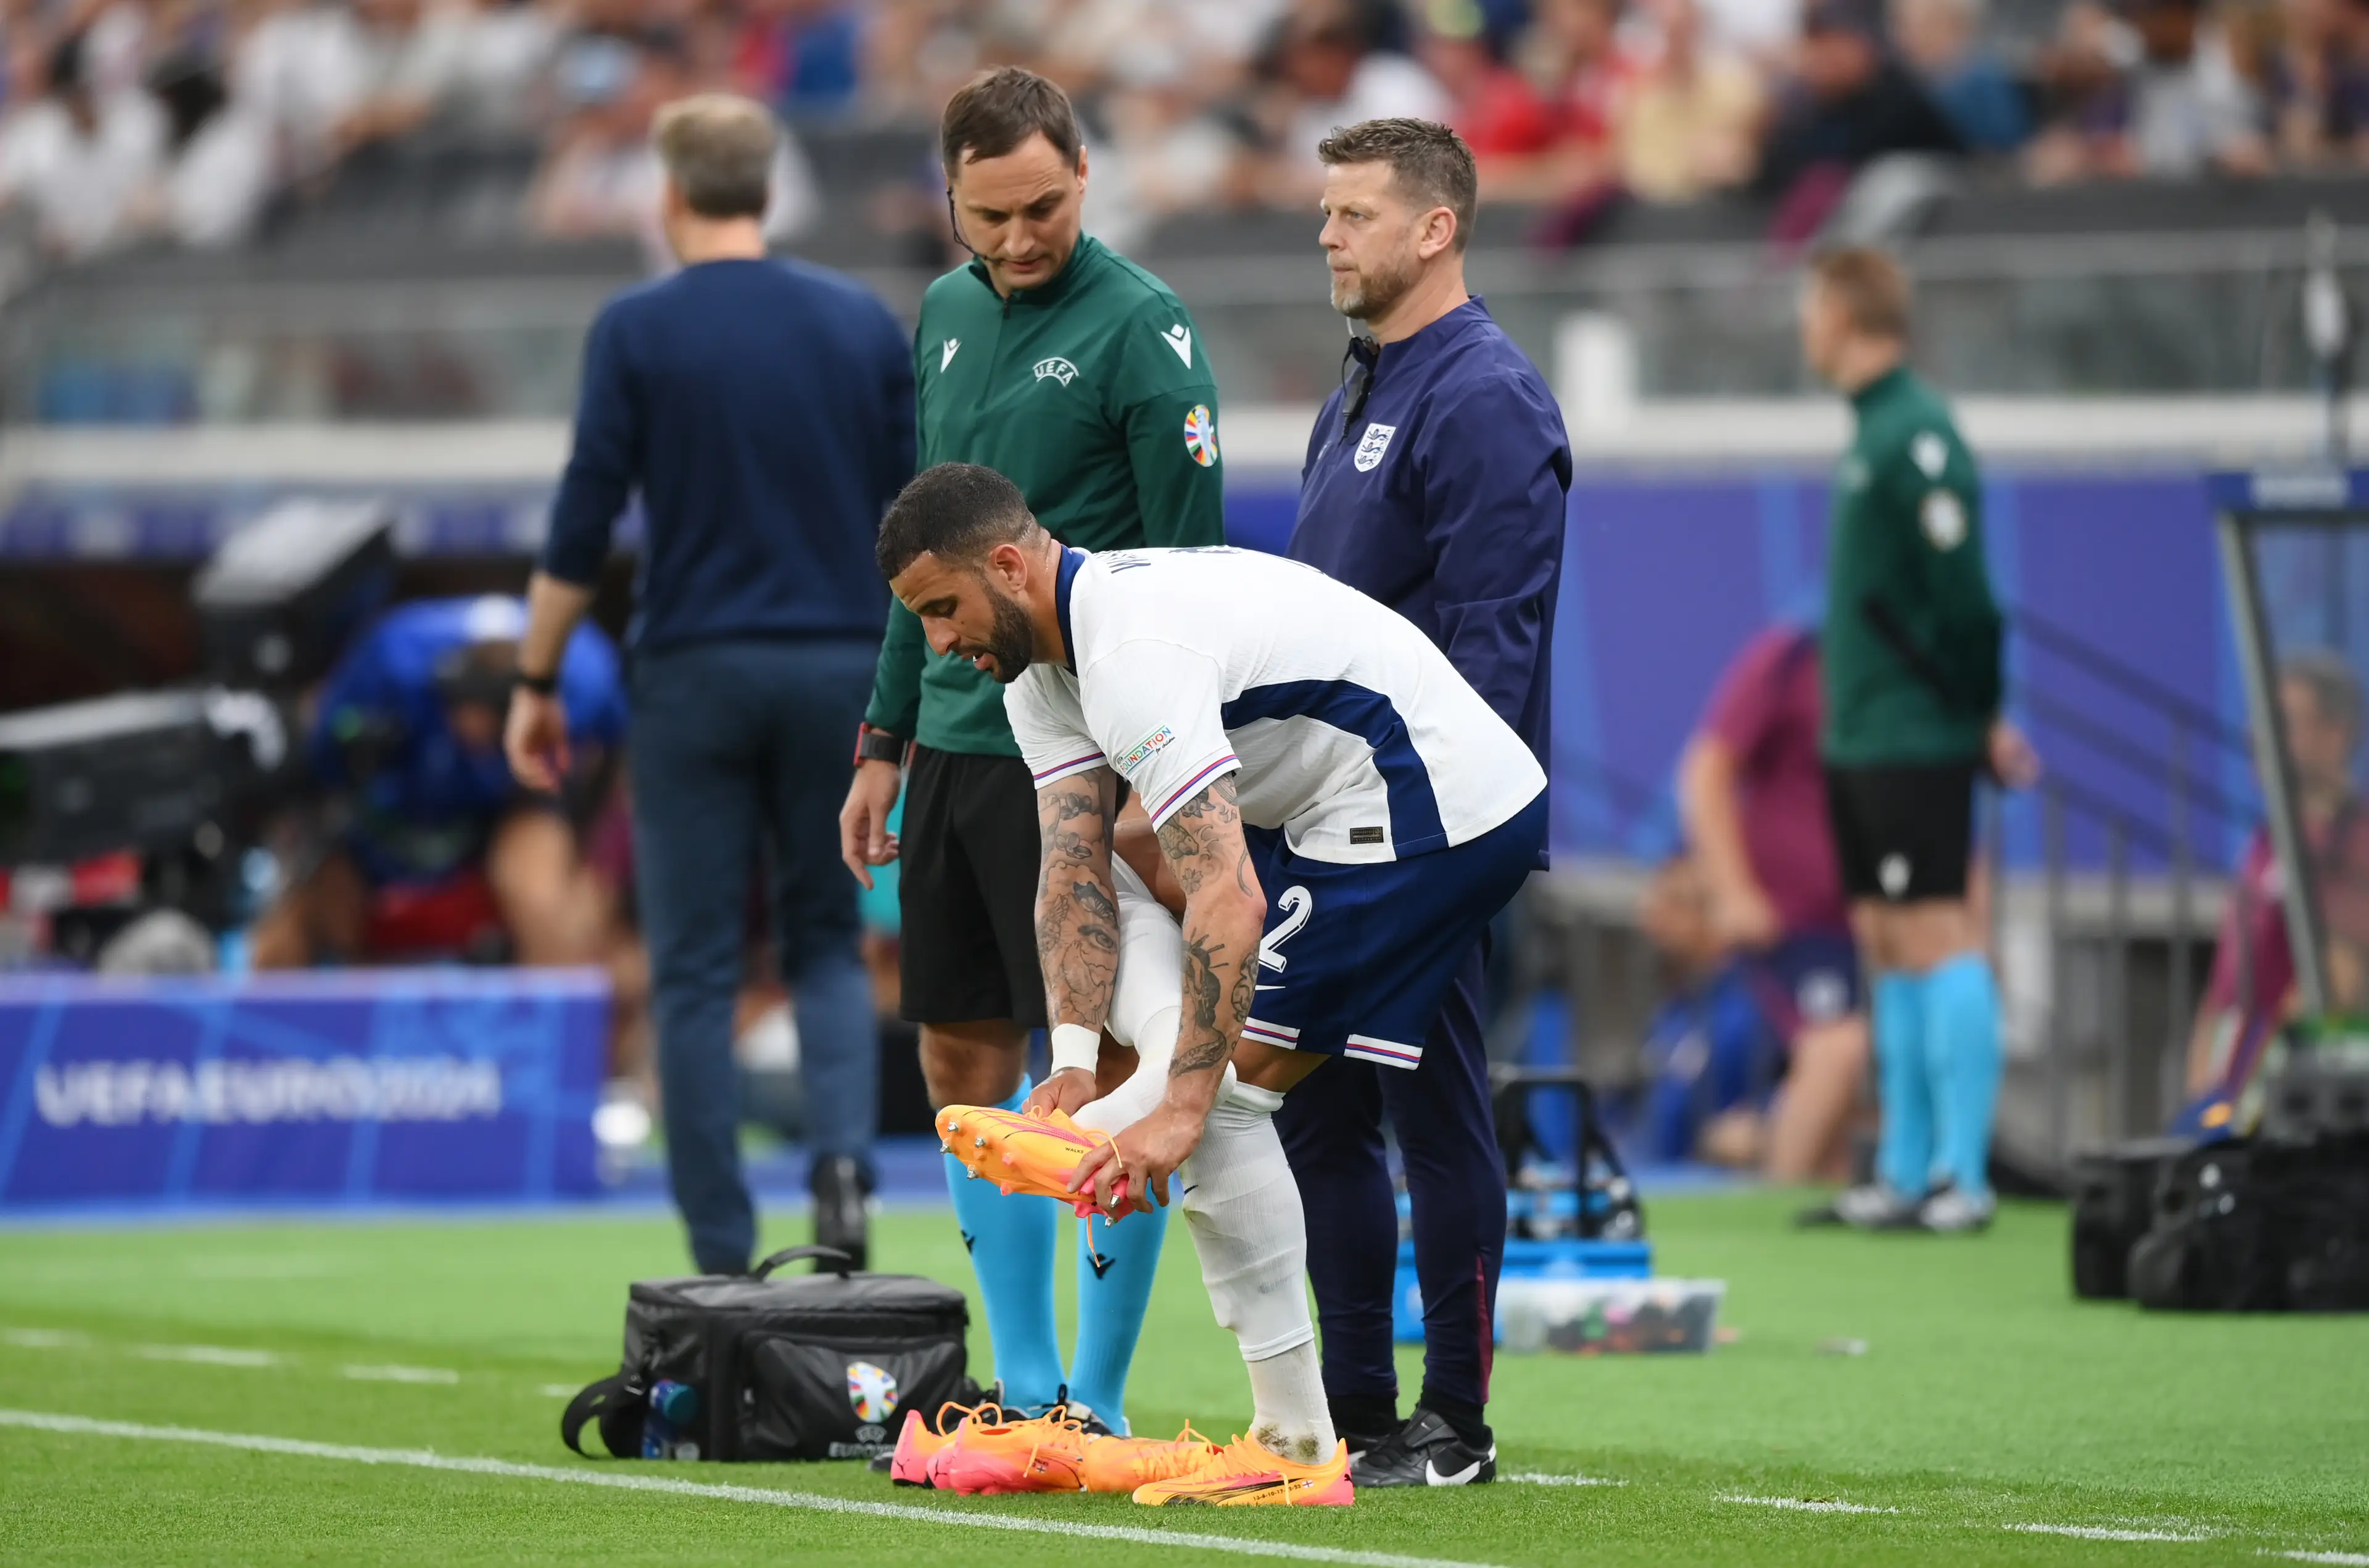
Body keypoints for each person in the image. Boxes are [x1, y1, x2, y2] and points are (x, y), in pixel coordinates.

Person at [875, 461, 1548, 1505]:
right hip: (1338, 812)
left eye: (941, 608)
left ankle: (1299, 1445)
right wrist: (1072, 1069)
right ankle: (1313, 1427)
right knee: (1220, 1068)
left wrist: (1175, 1104)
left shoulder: (1131, 649)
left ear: (1009, 565)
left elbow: (1224, 895)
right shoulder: (1040, 673)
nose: (936, 642)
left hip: (1428, 802)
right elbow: (1072, 873)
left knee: (1227, 1092)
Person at [836, 66, 1225, 1434]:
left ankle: (1101, 1402)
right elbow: (920, 557)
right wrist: (884, 733)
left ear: (1084, 177)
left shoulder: (1146, 333)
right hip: (950, 740)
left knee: (1106, 1071)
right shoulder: (940, 316)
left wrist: (1151, 783)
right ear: (948, 199)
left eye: (1043, 208)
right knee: (959, 1058)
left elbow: (1192, 578)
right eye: (989, 216)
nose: (1017, 241)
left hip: (1083, 755)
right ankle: (1024, 1379)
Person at [507, 93, 912, 1275]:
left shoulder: (635, 329)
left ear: (670, 194)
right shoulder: (859, 322)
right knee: (826, 943)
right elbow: (915, 516)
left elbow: (582, 523)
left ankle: (723, 1250)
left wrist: (538, 677)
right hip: (840, 663)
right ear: (768, 194)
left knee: (689, 964)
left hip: (692, 667)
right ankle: (842, 1186)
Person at [1281, 117, 1569, 1487]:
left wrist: (1439, 844)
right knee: (1320, 1113)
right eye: (1327, 213)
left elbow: (1492, 647)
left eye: (1352, 214)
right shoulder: (1361, 386)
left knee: (1435, 1110)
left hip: (1424, 825)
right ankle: (1358, 1417)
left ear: (1434, 227)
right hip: (1327, 822)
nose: (1327, 235)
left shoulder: (1487, 394)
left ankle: (1454, 1420)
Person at [1796, 246, 2036, 1234]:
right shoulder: (1870, 433)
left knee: (1937, 931)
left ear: (1850, 315)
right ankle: (1901, 1169)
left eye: (1813, 309)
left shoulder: (1917, 434)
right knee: (1887, 943)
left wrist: (1980, 713)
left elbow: (1967, 602)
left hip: (1913, 733)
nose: (1804, 329)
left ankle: (1961, 1175)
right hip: (1863, 734)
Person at [254, 595, 627, 982]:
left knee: (543, 895)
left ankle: (553, 1035)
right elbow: (317, 761)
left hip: (510, 809)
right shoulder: (390, 659)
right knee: (282, 932)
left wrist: (600, 869)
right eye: (459, 707)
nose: (470, 728)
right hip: (395, 812)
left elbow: (620, 770)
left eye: (488, 716)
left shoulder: (581, 672)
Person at [1678, 625, 1869, 1181]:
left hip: (1872, 929)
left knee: (1844, 1115)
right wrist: (1731, 891)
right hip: (1791, 929)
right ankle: (1776, 1199)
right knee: (1837, 1051)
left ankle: (1817, 1238)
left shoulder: (1902, 674)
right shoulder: (1791, 660)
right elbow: (1707, 770)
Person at [2181, 653, 2369, 1117]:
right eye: (2258, 718)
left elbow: (2333, 984)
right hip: (2227, 1086)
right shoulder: (2269, 841)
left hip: (2287, 1097)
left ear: (2336, 734)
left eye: (2282, 722)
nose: (2258, 737)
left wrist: (2255, 1096)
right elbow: (2224, 982)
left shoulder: (2353, 841)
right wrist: (2204, 1079)